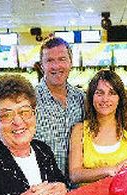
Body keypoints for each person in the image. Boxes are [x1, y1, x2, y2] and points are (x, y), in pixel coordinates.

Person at [69, 69, 127, 185]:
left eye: (112, 93)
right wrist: (110, 170)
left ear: (120, 98)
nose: (105, 99)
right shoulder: (79, 130)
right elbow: (75, 175)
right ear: (91, 97)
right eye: (100, 93)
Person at [34, 37, 85, 176]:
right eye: (50, 60)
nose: (56, 66)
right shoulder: (29, 101)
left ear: (71, 63)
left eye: (62, 59)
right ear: (42, 65)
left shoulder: (81, 98)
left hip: (78, 182)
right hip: (44, 186)